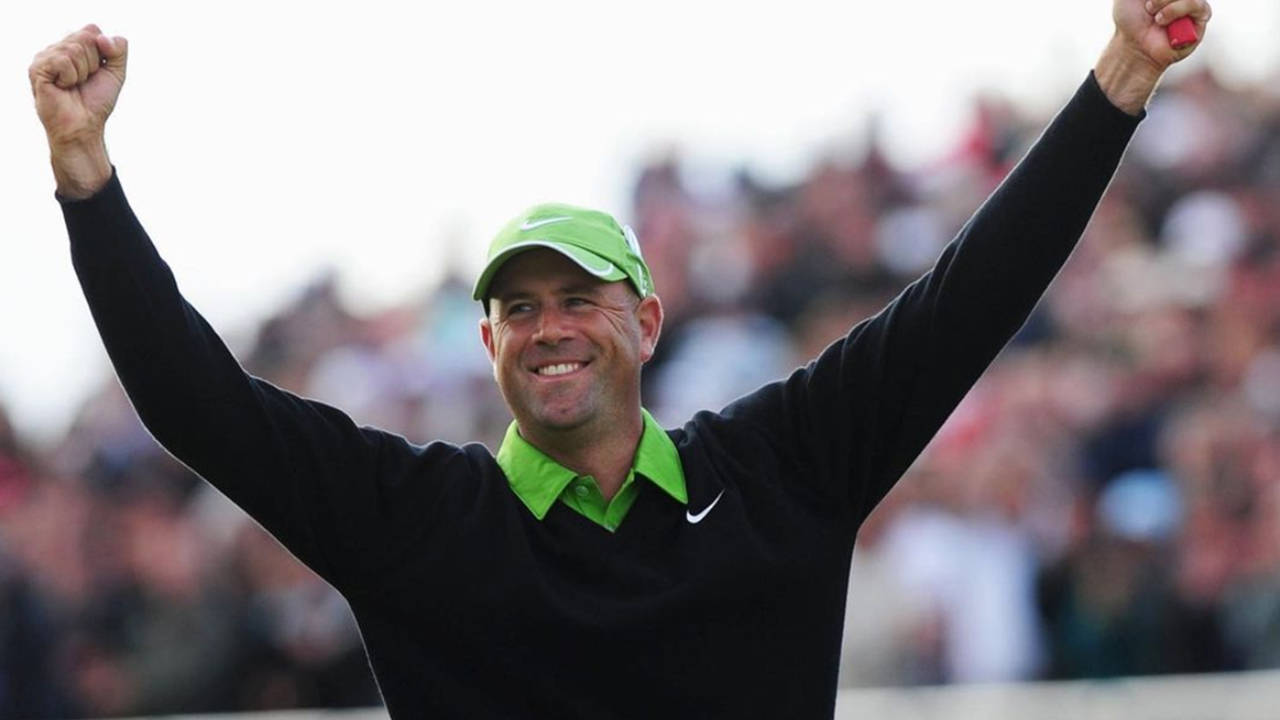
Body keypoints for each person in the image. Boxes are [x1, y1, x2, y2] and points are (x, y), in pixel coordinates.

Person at [29, 1, 1210, 717]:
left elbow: (966, 302)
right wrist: (86, 179)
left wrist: (1117, 83)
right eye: (518, 310)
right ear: (487, 343)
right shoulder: (417, 521)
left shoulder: (779, 469)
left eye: (576, 300)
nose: (548, 329)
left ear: (644, 321)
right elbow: (197, 402)